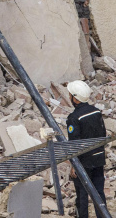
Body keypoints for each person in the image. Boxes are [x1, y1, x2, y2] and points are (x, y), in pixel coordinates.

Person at [66, 80, 106, 218]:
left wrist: (74, 165)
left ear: (75, 98)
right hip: (99, 157)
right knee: (99, 192)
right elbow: (103, 134)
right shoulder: (96, 112)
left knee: (82, 195)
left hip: (84, 161)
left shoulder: (74, 118)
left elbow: (74, 143)